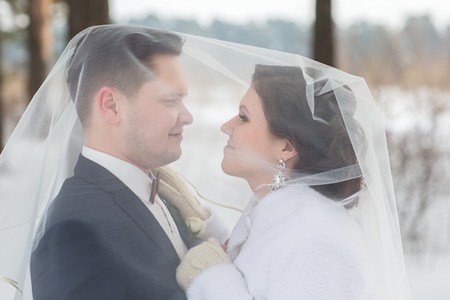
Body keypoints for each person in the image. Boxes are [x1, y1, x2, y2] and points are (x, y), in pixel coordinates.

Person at [24, 25, 227, 299]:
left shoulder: (168, 194)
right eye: (170, 100)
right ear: (111, 105)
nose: (187, 116)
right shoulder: (75, 230)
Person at [175, 65, 412, 299]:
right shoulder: (279, 216)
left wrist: (210, 278)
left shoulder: (319, 243)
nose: (226, 126)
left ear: (286, 147)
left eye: (243, 117)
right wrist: (199, 222)